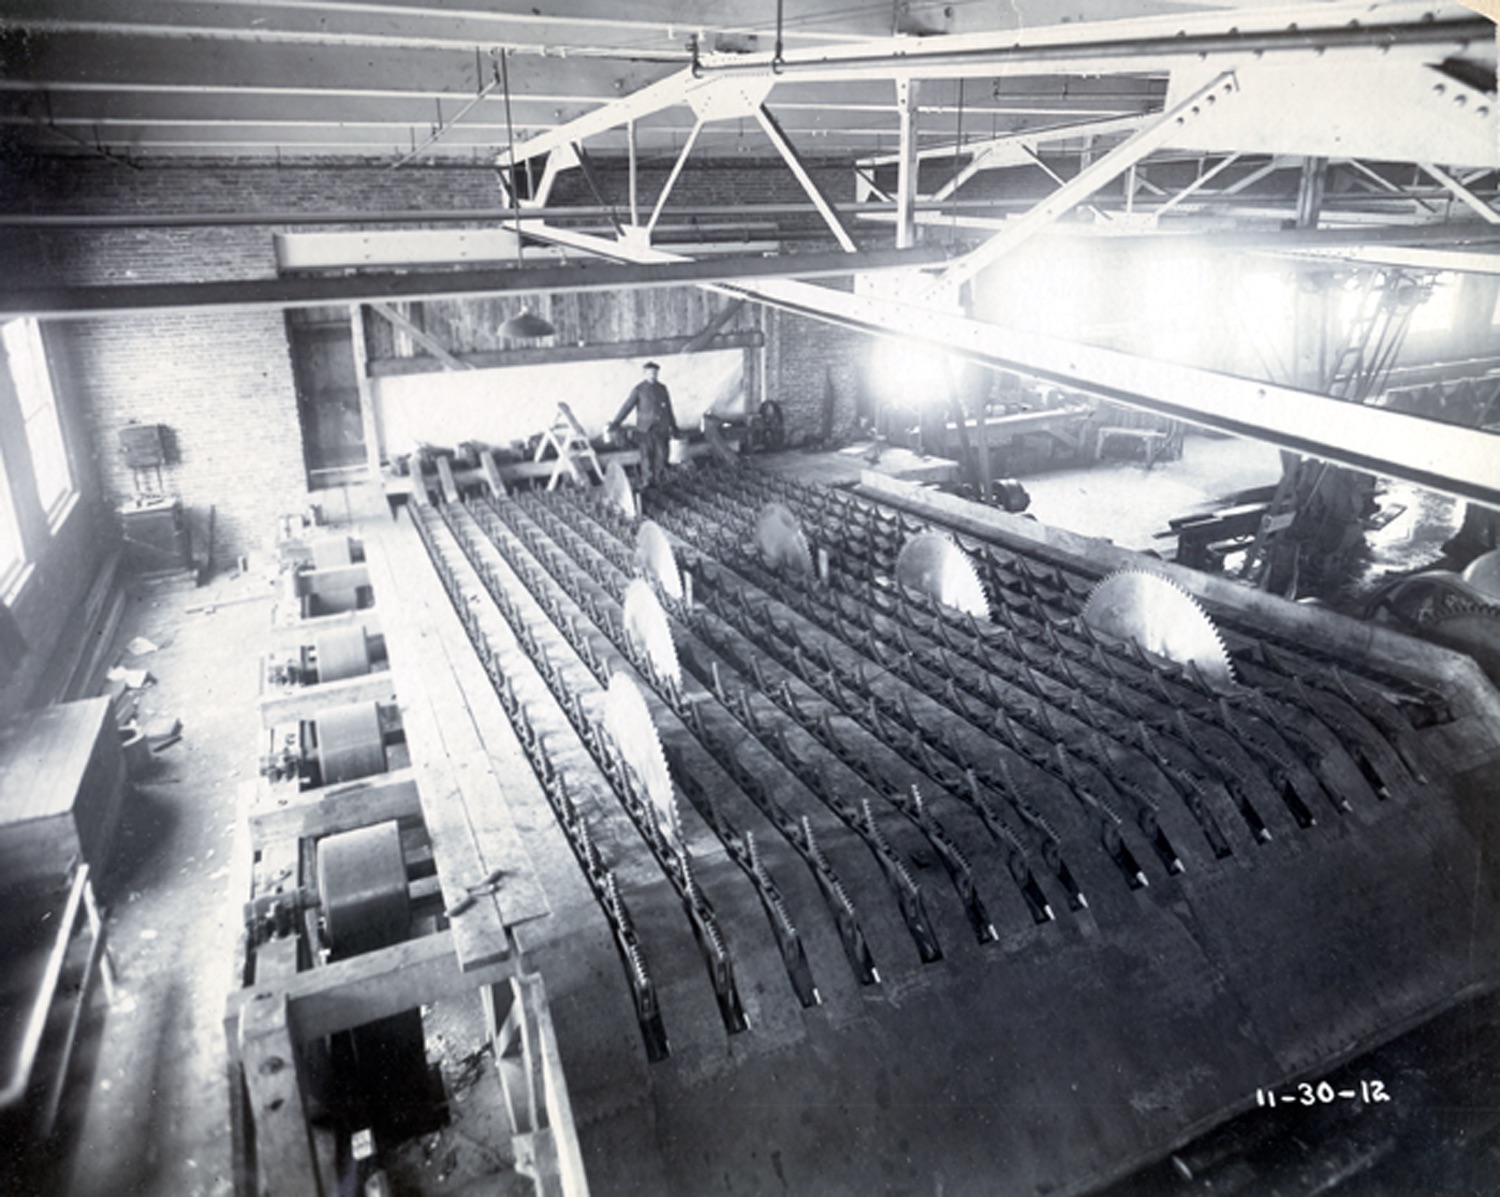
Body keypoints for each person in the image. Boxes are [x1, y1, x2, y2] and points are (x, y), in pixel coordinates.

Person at [609, 361, 679, 487]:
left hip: (661, 429)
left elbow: (669, 409)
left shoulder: (662, 389)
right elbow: (627, 407)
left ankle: (659, 480)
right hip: (644, 430)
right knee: (646, 456)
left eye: (655, 373)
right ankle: (647, 481)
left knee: (661, 455)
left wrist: (674, 427)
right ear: (645, 374)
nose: (653, 375)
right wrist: (616, 422)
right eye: (650, 373)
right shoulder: (639, 390)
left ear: (658, 374)